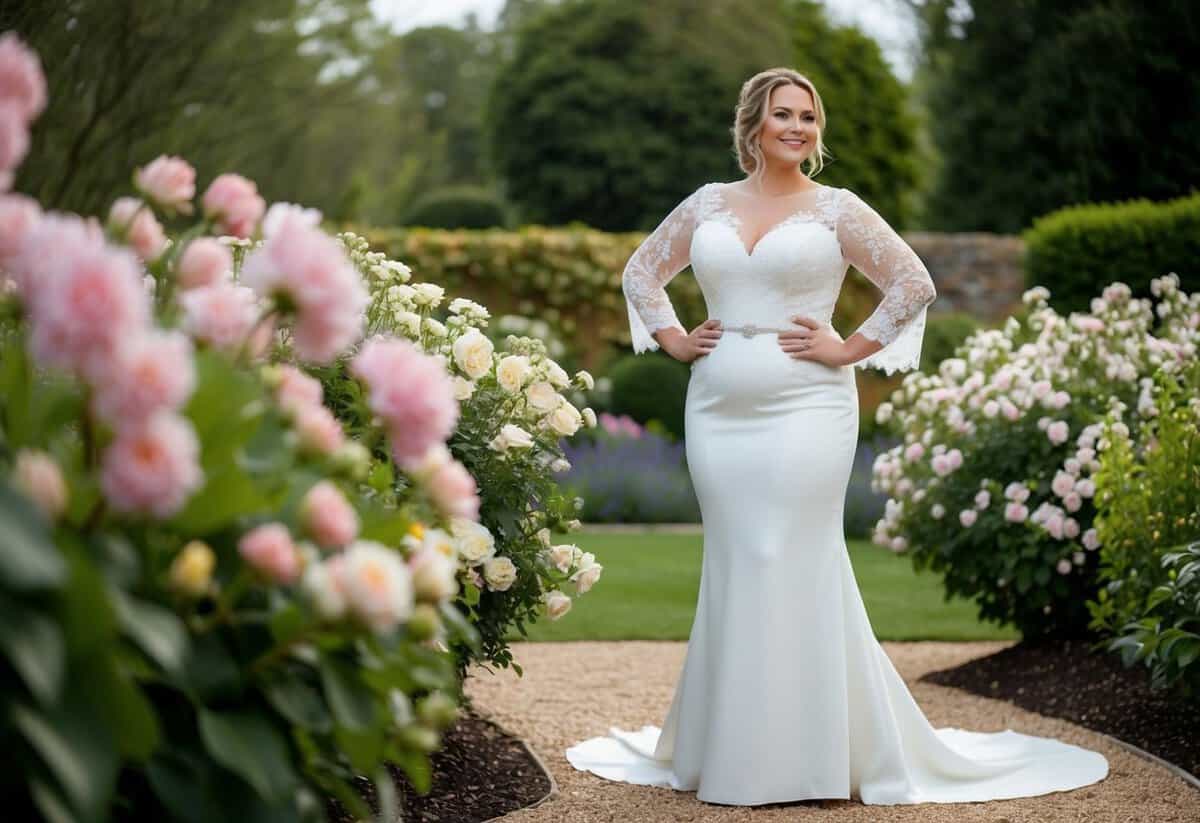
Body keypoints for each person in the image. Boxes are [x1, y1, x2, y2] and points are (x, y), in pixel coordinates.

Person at [563, 67, 1109, 806]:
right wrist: (672, 338)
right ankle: (732, 748)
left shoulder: (837, 210)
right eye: (784, 114)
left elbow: (912, 282)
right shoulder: (707, 205)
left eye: (809, 118)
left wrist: (848, 347)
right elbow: (641, 271)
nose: (798, 127)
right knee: (737, 558)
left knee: (784, 552)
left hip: (809, 405)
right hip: (718, 406)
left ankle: (811, 758)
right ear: (753, 124)